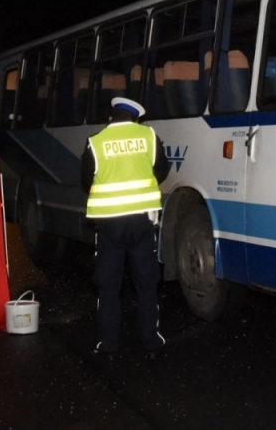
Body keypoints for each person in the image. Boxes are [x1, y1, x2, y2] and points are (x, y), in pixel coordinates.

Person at [81, 97, 169, 360]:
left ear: (112, 117)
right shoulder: (149, 136)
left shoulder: (95, 141)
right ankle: (151, 344)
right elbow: (162, 171)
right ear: (135, 118)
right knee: (146, 284)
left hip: (109, 225)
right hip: (142, 222)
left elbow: (85, 179)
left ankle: (108, 347)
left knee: (108, 287)